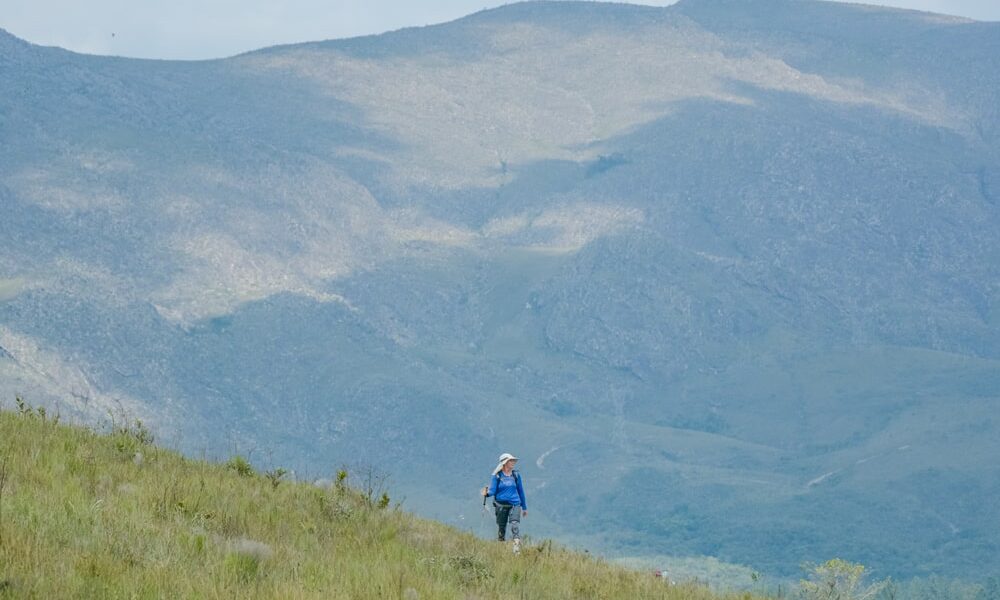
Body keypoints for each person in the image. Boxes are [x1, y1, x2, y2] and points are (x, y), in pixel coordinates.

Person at [481, 452, 527, 554]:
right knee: (501, 527)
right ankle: (501, 548)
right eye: (511, 461)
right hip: (500, 505)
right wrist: (486, 494)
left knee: (514, 524)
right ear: (505, 462)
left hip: (515, 504)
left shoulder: (516, 475)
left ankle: (516, 547)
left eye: (513, 461)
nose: (513, 462)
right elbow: (492, 490)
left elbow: (521, 491)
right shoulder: (497, 476)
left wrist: (524, 507)